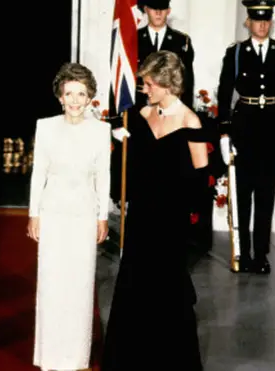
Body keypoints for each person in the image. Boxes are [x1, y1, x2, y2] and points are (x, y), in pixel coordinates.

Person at [102, 51, 206, 370]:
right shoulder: (140, 115)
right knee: (135, 283)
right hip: (142, 215)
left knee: (167, 288)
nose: (145, 89)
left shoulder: (191, 121)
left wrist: (186, 213)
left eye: (149, 83)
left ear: (166, 83)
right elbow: (126, 163)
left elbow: (201, 177)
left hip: (171, 220)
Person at [28, 63, 111, 371]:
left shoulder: (101, 131)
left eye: (81, 94)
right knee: (51, 285)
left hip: (84, 216)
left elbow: (103, 177)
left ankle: (76, 359)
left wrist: (103, 216)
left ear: (89, 97)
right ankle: (50, 358)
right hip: (53, 215)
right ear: (59, 97)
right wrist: (34, 213)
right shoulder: (45, 126)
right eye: (69, 94)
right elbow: (39, 174)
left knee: (79, 287)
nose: (75, 100)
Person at [216, 0, 275, 275]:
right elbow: (225, 91)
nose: (262, 25)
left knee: (266, 195)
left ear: (270, 22)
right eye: (257, 20)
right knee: (242, 194)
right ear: (248, 22)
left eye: (266, 20)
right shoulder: (236, 52)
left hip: (272, 128)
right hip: (244, 127)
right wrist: (224, 130)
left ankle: (261, 255)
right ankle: (242, 253)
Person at [110, 0, 195, 211]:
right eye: (153, 7)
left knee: (167, 177)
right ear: (145, 9)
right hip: (139, 118)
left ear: (168, 10)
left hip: (171, 118)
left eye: (162, 8)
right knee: (139, 175)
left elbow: (188, 84)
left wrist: (184, 120)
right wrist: (115, 121)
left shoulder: (181, 42)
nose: (158, 12)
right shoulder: (132, 37)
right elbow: (117, 79)